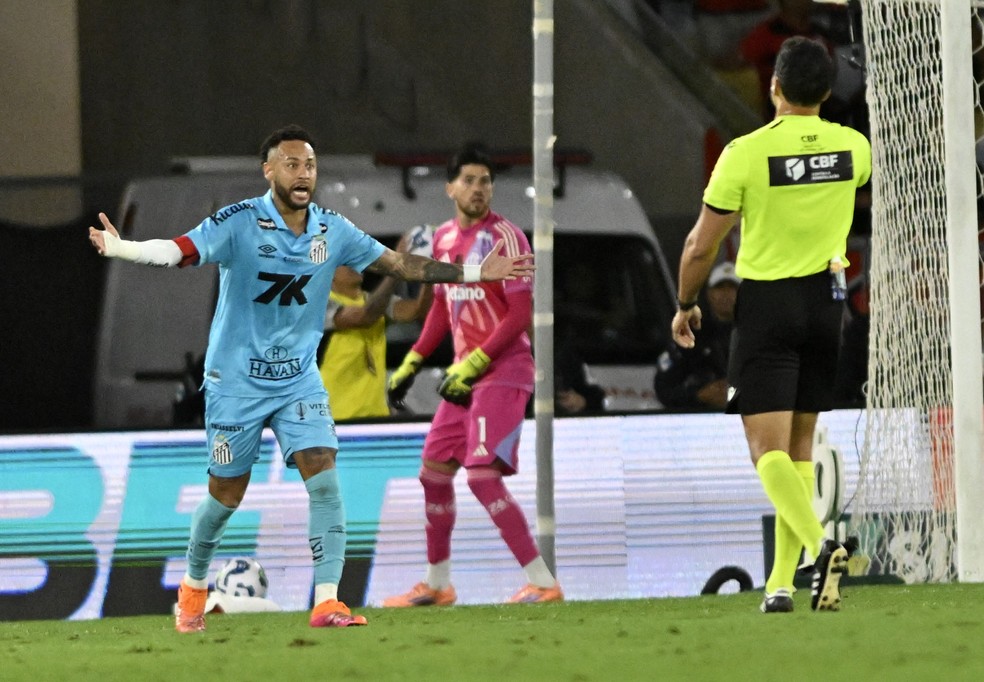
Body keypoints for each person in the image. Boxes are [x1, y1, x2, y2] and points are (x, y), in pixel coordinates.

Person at [86, 125, 534, 633]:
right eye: (293, 165)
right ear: (269, 171)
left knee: (324, 478)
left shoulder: (332, 228)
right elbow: (176, 251)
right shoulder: (238, 222)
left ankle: (327, 601)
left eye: (310, 166)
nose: (304, 175)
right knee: (225, 495)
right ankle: (192, 586)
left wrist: (475, 275)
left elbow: (401, 263)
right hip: (236, 380)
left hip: (297, 378)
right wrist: (122, 249)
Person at [671, 38, 870, 613]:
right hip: (827, 305)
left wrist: (685, 302)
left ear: (774, 87)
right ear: (827, 92)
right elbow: (842, 176)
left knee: (766, 451)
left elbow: (699, 245)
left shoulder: (746, 153)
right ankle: (781, 586)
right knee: (799, 446)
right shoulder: (853, 148)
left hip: (770, 306)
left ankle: (820, 545)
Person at [382, 143, 563, 606]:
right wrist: (412, 362)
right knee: (434, 472)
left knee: (482, 476)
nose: (478, 189)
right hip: (464, 377)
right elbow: (442, 307)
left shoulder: (508, 239)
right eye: (469, 180)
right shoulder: (442, 240)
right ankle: (438, 585)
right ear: (449, 188)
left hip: (503, 370)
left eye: (485, 181)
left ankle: (543, 583)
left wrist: (475, 363)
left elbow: (519, 314)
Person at [317, 228, 433, 421]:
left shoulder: (373, 302)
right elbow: (365, 316)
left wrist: (429, 276)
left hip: (376, 415)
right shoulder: (317, 303)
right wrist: (395, 268)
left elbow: (415, 311)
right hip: (336, 418)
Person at [655, 261, 739, 411]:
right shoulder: (692, 335)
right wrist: (699, 394)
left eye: (733, 288)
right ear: (709, 293)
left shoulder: (759, 335)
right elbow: (664, 387)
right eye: (720, 287)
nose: (726, 294)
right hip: (701, 422)